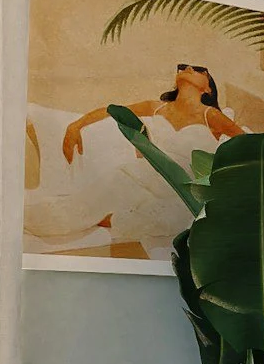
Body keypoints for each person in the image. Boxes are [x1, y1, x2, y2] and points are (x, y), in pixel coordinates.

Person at [26, 65, 242, 258]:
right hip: (138, 177)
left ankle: (112, 220)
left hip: (180, 189)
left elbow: (250, 145)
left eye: (197, 69)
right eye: (183, 67)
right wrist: (76, 125)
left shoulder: (211, 116)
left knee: (179, 221)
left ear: (208, 89)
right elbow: (112, 111)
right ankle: (21, 220)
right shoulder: (156, 107)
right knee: (74, 210)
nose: (187, 69)